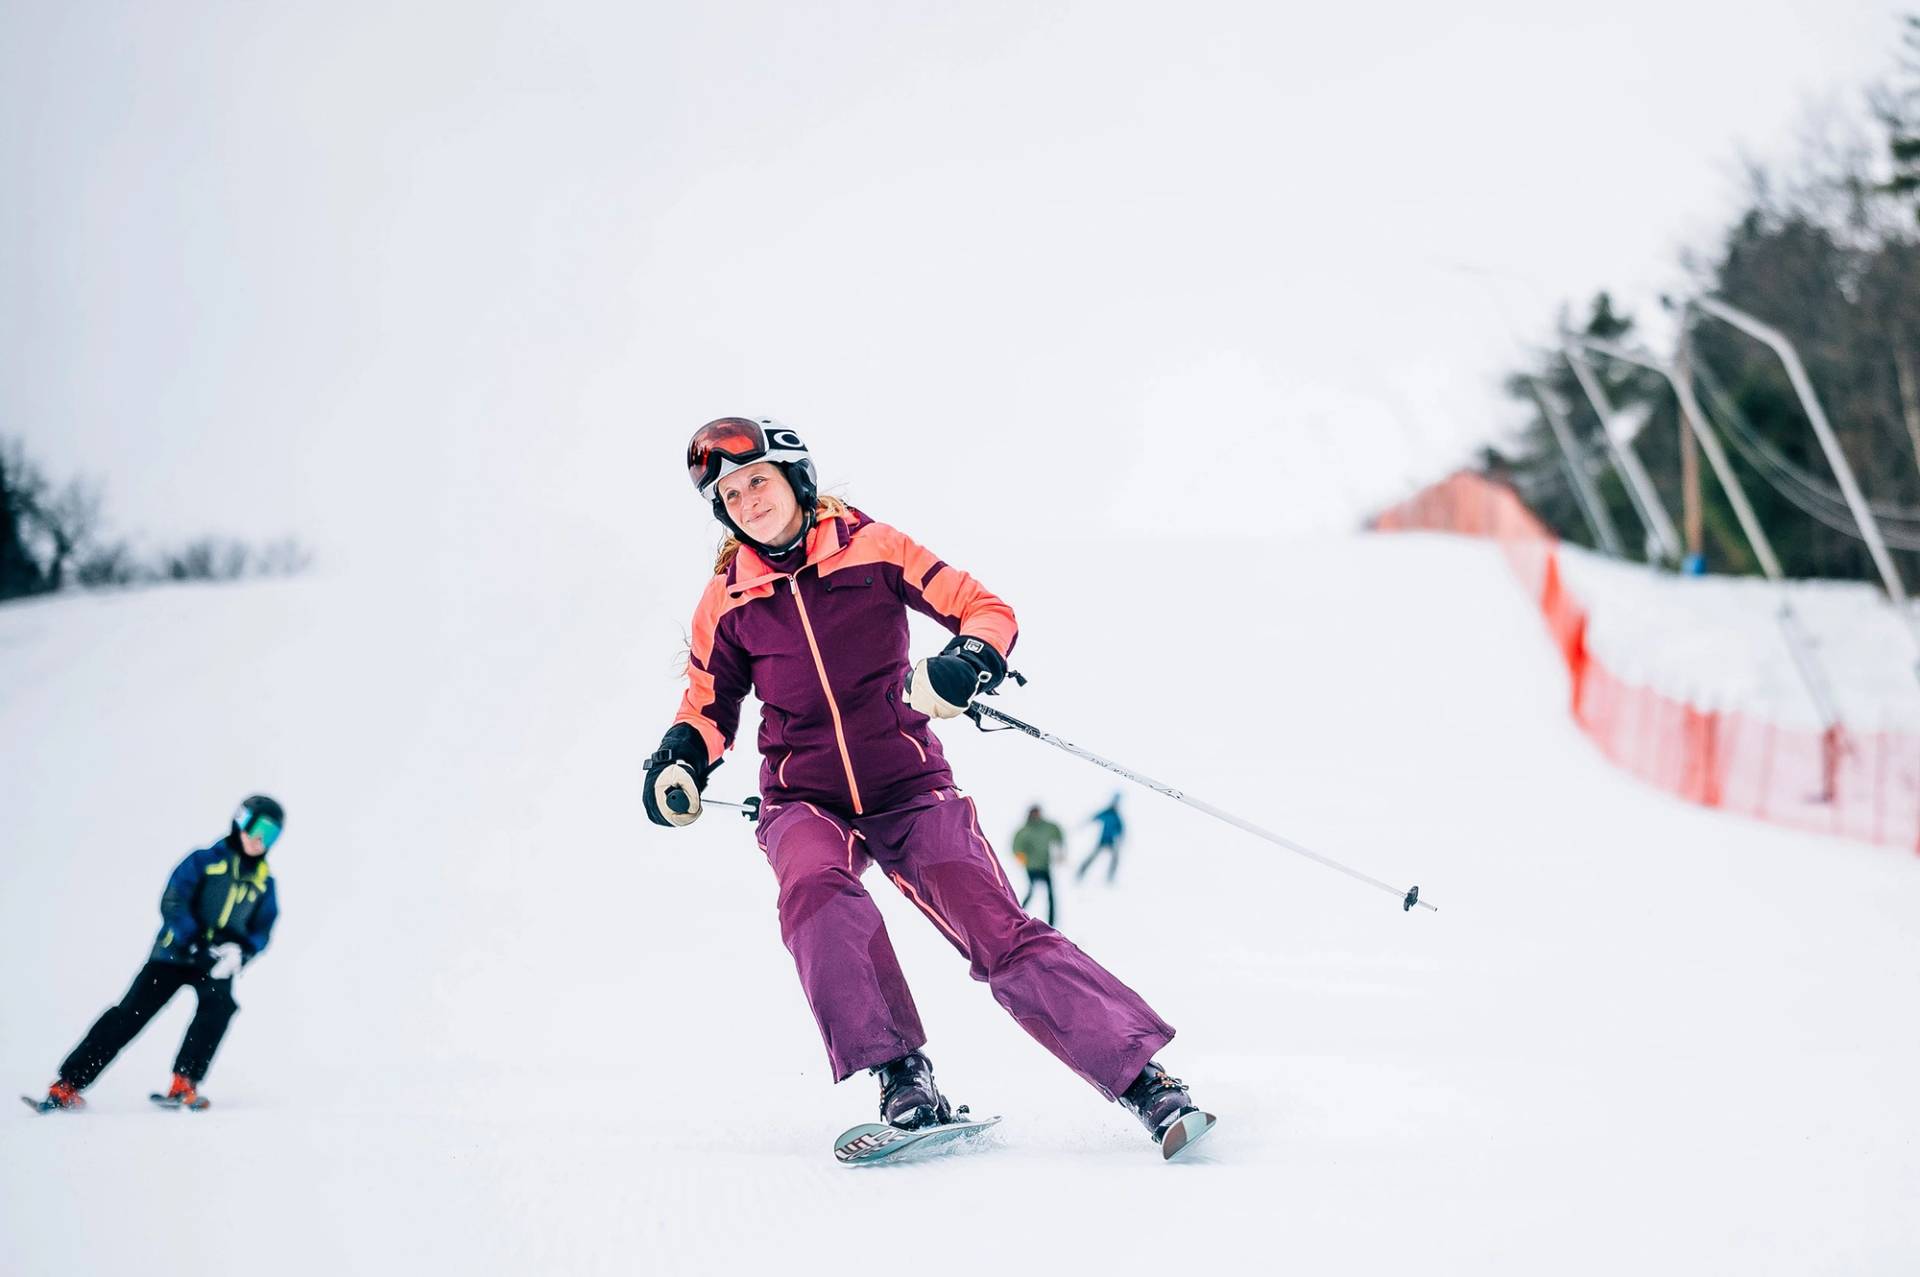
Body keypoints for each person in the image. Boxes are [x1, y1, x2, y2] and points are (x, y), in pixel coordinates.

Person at [642, 418, 1206, 1151]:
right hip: (801, 795)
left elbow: (986, 610)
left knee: (995, 926)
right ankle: (902, 1074)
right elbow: (707, 706)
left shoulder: (873, 547)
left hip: (907, 785)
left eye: (757, 481)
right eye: (730, 494)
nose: (747, 500)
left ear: (795, 478)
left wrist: (964, 662)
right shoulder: (728, 600)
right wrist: (680, 758)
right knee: (814, 888)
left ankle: (1145, 1081)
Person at [27, 796, 285, 1113]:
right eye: (258, 829)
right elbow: (174, 901)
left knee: (219, 1007)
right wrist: (192, 941)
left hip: (216, 963)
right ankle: (67, 1084)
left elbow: (262, 928)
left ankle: (184, 1082)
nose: (261, 841)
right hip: (173, 956)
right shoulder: (205, 861)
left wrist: (240, 953)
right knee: (130, 1014)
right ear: (240, 822)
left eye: (271, 835)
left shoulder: (263, 883)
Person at [1010, 804, 1065, 926]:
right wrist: (1021, 857)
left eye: (1038, 812)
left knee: (1051, 894)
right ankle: (1019, 916)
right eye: (1034, 813)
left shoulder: (1047, 827)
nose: (1037, 815)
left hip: (1045, 866)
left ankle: (1052, 922)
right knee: (1031, 891)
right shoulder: (1025, 830)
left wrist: (1060, 850)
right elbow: (1016, 845)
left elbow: (1057, 831)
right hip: (1031, 867)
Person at [1076, 793, 1126, 884]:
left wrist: (1121, 841)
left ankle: (1110, 877)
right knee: (1092, 857)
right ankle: (1080, 872)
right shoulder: (1106, 813)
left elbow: (1121, 831)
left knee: (1115, 859)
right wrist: (1082, 825)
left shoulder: (1117, 817)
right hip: (1102, 841)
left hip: (1111, 842)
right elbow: (1094, 817)